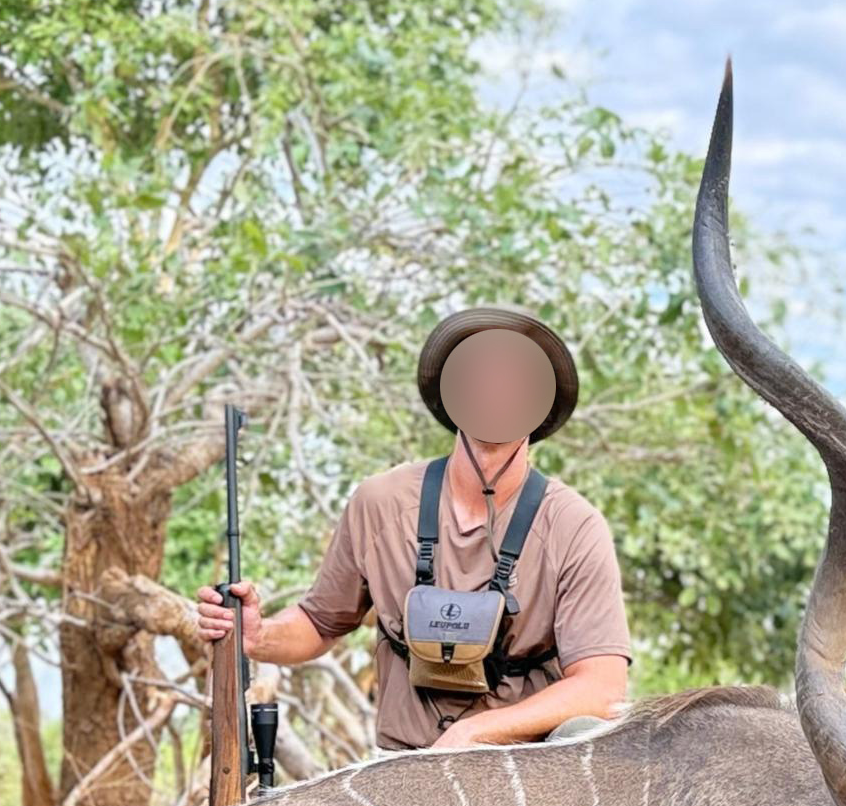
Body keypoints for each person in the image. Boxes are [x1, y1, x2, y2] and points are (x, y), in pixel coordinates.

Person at [196, 306, 633, 752]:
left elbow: (602, 688)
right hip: (401, 768)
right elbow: (320, 622)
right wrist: (259, 635)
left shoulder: (573, 526)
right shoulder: (380, 502)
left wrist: (472, 733)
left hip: (524, 770)